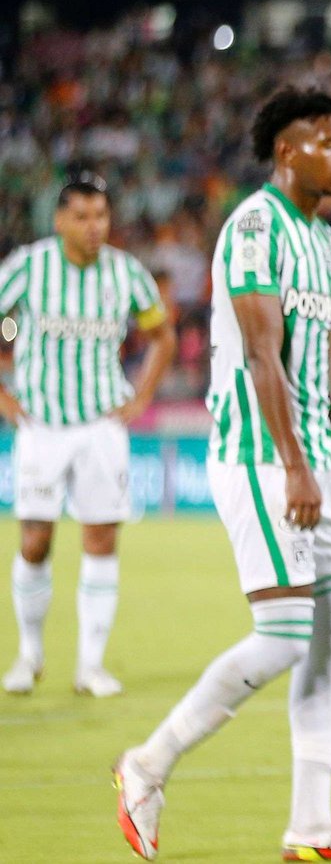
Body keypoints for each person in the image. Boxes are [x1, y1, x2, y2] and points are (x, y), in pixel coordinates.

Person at [112, 87, 331, 861]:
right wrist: (297, 465)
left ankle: (311, 824)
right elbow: (261, 353)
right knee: (281, 636)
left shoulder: (325, 243)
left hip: (314, 465)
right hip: (262, 459)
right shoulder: (254, 227)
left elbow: (317, 367)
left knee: (328, 640)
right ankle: (148, 763)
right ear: (287, 150)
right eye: (329, 143)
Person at [0, 173, 176, 698]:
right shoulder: (29, 267)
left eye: (101, 215)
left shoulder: (127, 274)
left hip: (102, 424)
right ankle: (29, 655)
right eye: (82, 216)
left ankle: (90, 665)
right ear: (59, 220)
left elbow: (162, 335)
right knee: (36, 540)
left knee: (101, 538)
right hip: (42, 424)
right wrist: (4, 397)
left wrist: (142, 395)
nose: (94, 226)